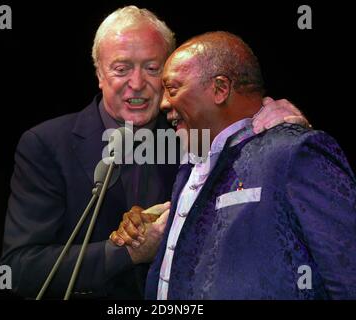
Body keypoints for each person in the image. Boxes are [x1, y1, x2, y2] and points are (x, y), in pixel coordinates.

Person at [0, 6, 309, 299]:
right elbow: (21, 268)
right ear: (99, 74)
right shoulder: (46, 144)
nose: (137, 84)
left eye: (152, 68)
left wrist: (273, 121)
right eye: (121, 69)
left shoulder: (199, 134)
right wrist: (128, 251)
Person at [111, 31, 356, 299]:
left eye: (172, 88)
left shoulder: (295, 151)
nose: (164, 103)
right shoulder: (191, 166)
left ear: (220, 89)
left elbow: (347, 273)